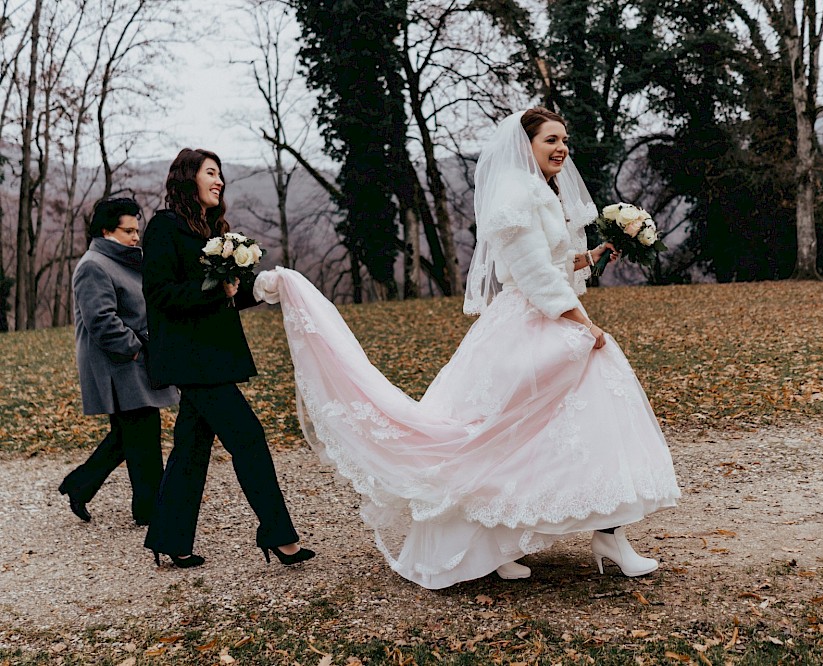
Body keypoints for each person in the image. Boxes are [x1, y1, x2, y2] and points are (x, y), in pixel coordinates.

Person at [254, 107, 679, 589]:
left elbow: (554, 263)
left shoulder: (540, 190)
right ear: (527, 145)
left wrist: (594, 256)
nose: (562, 148)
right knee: (500, 439)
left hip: (547, 318)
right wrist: (585, 323)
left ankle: (607, 533)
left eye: (565, 140)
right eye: (551, 140)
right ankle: (498, 542)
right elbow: (534, 276)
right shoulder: (515, 195)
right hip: (529, 325)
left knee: (576, 427)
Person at [140, 148, 315, 569]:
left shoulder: (209, 230)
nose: (219, 181)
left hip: (214, 357)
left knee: (191, 448)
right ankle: (278, 534)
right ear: (188, 179)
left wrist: (266, 287)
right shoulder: (164, 228)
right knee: (249, 439)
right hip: (192, 360)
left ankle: (169, 537)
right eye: (211, 173)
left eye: (221, 175)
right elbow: (160, 294)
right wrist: (216, 289)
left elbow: (228, 296)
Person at [59, 197, 179, 526]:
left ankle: (79, 485)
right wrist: (138, 349)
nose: (135, 237)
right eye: (128, 231)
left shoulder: (122, 262)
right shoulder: (93, 265)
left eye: (137, 230)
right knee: (142, 435)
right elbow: (102, 323)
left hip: (132, 362)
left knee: (127, 437)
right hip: (119, 365)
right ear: (106, 231)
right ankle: (150, 511)